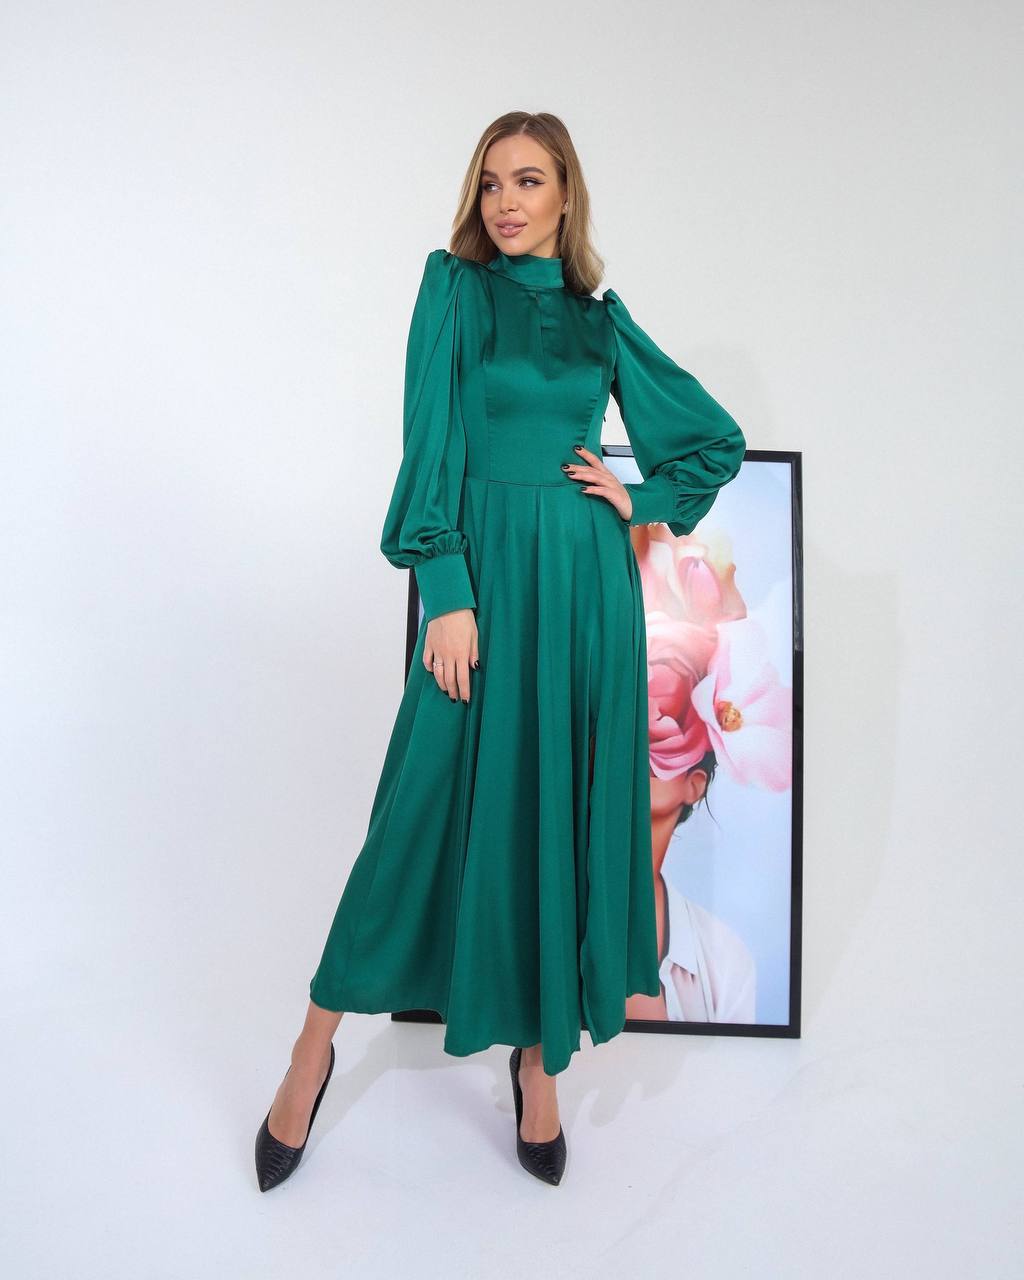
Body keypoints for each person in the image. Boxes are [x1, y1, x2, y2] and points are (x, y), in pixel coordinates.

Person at [254, 110, 747, 1191]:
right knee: (415, 812)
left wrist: (643, 494)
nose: (507, 203)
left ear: (567, 195)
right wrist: (445, 589)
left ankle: (537, 1062)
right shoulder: (454, 291)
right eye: (490, 184)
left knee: (558, 816)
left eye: (529, 181)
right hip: (482, 582)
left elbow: (712, 441)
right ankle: (310, 1044)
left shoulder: (598, 322)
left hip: (581, 596)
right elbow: (427, 440)